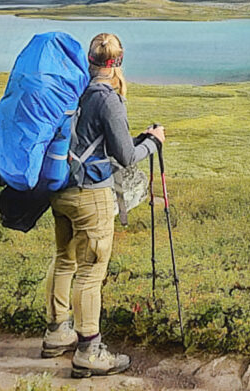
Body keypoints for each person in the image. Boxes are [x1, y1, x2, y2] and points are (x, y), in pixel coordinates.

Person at [40, 33, 165, 378]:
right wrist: (152, 144)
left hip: (59, 186)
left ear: (90, 59)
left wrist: (137, 139)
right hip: (90, 193)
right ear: (117, 62)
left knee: (63, 259)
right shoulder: (108, 99)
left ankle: (56, 333)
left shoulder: (73, 88)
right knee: (91, 271)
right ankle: (88, 351)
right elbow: (125, 157)